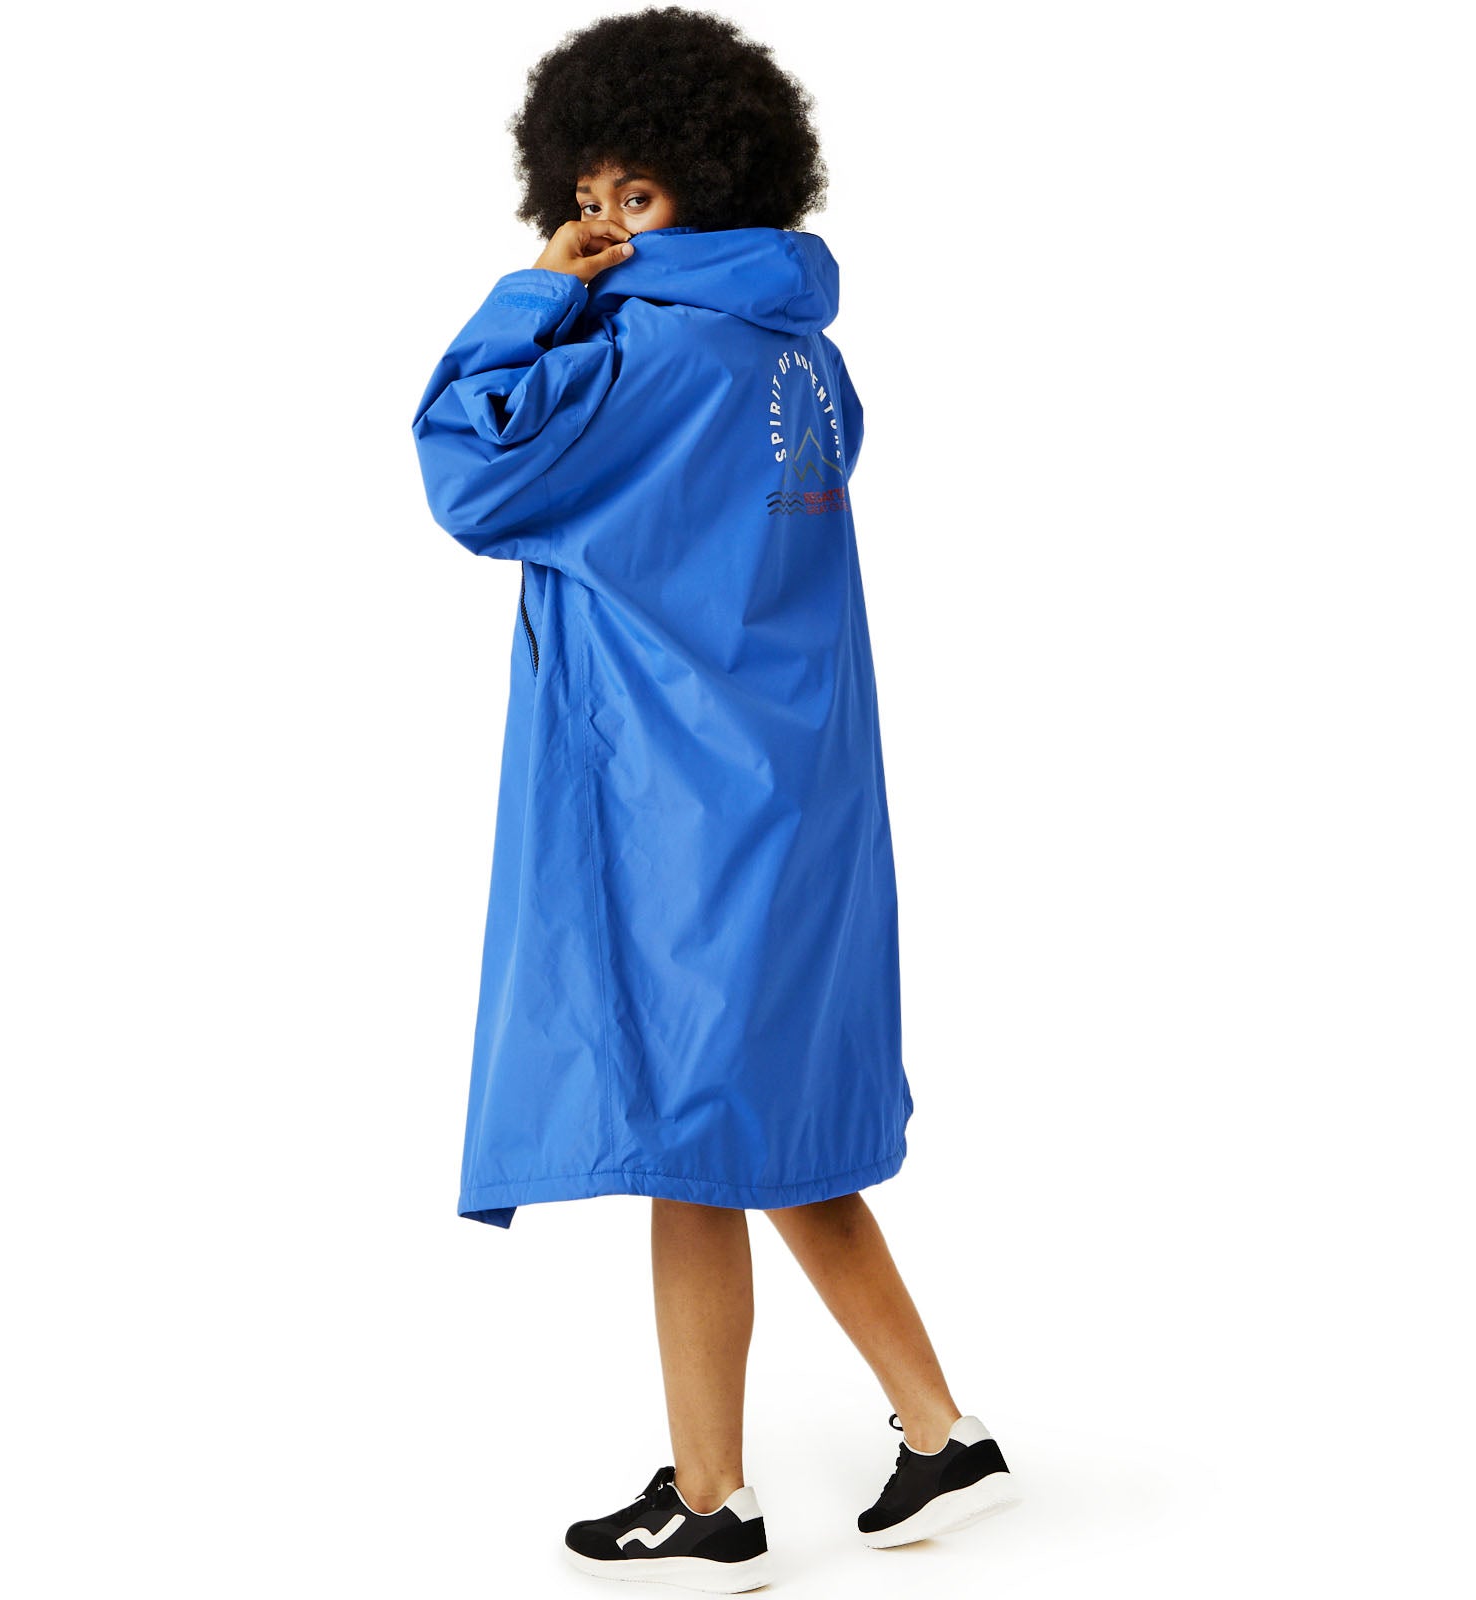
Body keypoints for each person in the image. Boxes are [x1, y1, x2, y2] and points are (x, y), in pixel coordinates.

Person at [410, 8, 1016, 1589]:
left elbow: (469, 471)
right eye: (586, 198)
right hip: (796, 787)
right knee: (767, 1135)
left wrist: (534, 289)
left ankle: (725, 1498)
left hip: (681, 800)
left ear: (712, 178)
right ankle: (922, 1440)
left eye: (637, 195)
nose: (608, 224)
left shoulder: (644, 351)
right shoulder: (802, 353)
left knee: (699, 1135)